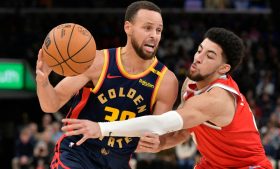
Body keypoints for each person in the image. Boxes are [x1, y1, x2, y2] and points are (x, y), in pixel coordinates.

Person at [62, 27, 273, 168]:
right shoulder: (190, 85)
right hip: (212, 164)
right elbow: (183, 132)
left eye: (209, 56)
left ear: (224, 68)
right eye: (200, 50)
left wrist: (101, 128)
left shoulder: (216, 99)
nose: (198, 58)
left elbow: (160, 123)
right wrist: (162, 144)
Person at [36, 1, 178, 169]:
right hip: (77, 154)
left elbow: (155, 133)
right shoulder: (98, 62)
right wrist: (43, 81)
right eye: (147, 28)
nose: (154, 35)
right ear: (128, 27)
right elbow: (51, 104)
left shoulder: (166, 81)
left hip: (117, 162)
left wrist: (156, 142)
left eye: (158, 30)